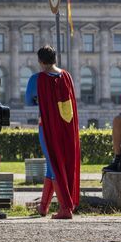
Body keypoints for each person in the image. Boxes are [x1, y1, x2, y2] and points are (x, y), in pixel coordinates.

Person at [25, 45, 80, 219]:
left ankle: (65, 208)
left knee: (53, 162)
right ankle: (43, 207)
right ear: (55, 59)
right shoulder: (67, 76)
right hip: (67, 126)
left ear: (40, 61)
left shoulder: (37, 79)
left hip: (48, 126)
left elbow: (29, 101)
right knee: (53, 164)